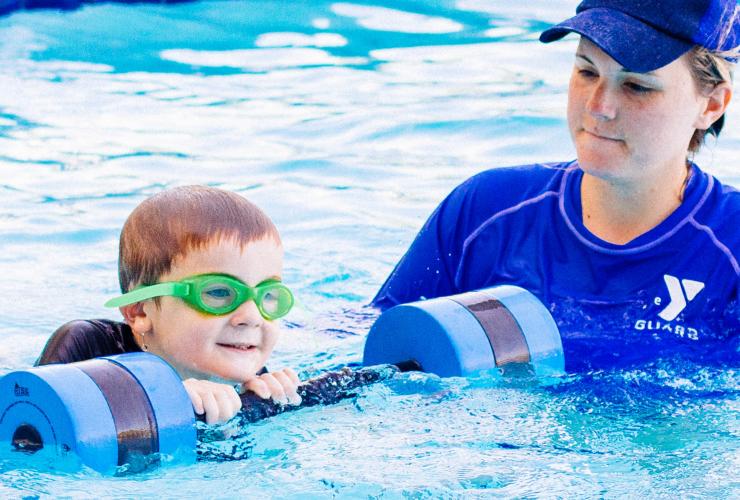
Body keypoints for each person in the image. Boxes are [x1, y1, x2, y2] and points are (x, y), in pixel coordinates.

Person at [373, 0, 739, 370]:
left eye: (636, 86)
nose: (599, 106)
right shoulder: (486, 212)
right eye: (587, 71)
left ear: (711, 104)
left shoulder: (731, 249)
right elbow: (365, 350)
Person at [37, 186, 302, 423]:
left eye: (269, 296)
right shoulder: (86, 346)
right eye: (220, 292)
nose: (253, 317)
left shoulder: (240, 357)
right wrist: (166, 399)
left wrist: (263, 401)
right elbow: (32, 419)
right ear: (140, 310)